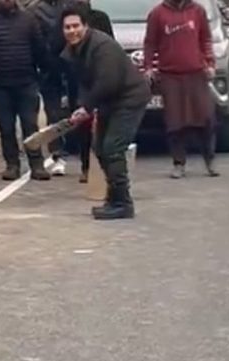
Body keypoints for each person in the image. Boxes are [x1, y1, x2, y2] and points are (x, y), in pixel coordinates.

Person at [61, 6, 150, 220]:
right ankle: (113, 197)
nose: (72, 31)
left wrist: (87, 108)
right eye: (67, 27)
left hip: (129, 97)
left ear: (85, 26)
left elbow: (108, 82)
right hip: (110, 100)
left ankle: (123, 203)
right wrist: (80, 106)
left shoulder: (102, 46)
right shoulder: (73, 51)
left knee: (112, 147)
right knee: (99, 147)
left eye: (76, 26)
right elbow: (85, 83)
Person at [0, 0, 50, 181]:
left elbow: (39, 48)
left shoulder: (29, 19)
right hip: (0, 84)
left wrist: (45, 72)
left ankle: (37, 164)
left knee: (30, 125)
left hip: (27, 82)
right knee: (6, 127)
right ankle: (12, 165)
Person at [144, 0, 219, 179]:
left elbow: (206, 39)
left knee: (206, 118)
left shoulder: (197, 11)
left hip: (196, 73)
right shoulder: (157, 14)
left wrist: (209, 63)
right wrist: (149, 67)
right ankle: (179, 163)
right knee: (175, 122)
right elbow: (150, 44)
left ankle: (209, 160)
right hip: (170, 75)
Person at [64, 0, 113, 183]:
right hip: (77, 80)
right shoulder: (65, 21)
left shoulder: (100, 18)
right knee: (82, 124)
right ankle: (86, 166)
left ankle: (104, 167)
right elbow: (56, 49)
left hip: (100, 77)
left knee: (104, 123)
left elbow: (110, 45)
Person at [31, 0, 69, 176]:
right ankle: (57, 155)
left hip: (72, 66)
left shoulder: (71, 6)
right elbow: (34, 42)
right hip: (48, 70)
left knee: (79, 110)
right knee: (53, 114)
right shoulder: (34, 10)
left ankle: (87, 159)